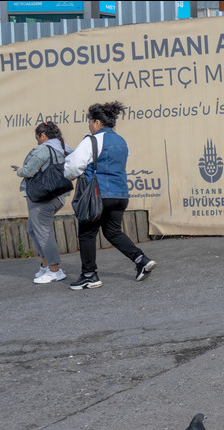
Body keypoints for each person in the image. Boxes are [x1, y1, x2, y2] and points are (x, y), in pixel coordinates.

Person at [63, 101, 157, 290]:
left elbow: (73, 167)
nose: (89, 125)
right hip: (120, 194)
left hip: (98, 195)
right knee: (112, 231)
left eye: (90, 121)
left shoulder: (92, 140)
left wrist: (69, 175)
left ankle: (89, 275)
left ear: (97, 122)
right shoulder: (122, 141)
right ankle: (140, 259)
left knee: (87, 233)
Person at [14, 121, 71, 284]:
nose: (37, 141)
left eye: (37, 137)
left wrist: (19, 170)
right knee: (32, 229)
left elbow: (29, 170)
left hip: (42, 197)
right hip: (57, 194)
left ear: (43, 136)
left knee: (43, 231)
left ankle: (55, 270)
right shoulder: (64, 147)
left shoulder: (43, 149)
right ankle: (46, 265)